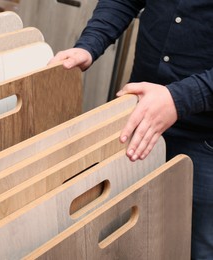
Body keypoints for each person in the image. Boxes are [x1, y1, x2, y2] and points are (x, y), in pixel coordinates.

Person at [49, 1, 213, 259]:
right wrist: (89, 44)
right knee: (121, 236)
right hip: (137, 117)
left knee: (196, 248)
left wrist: (177, 99)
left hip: (204, 142)